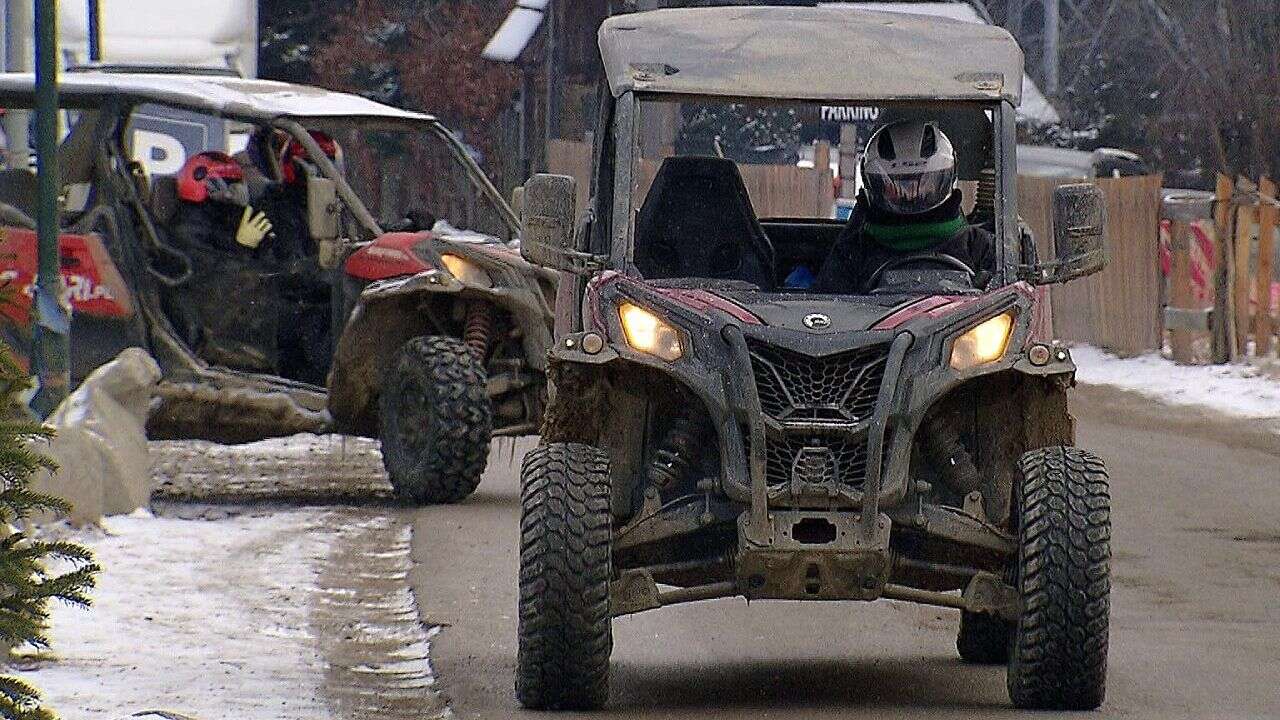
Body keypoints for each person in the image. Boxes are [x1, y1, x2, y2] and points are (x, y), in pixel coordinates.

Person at [814, 120, 996, 294]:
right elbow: (830, 308)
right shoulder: (855, 251)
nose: (911, 196)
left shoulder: (979, 248)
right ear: (873, 185)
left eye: (923, 184)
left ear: (947, 179)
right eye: (898, 186)